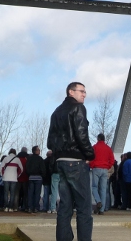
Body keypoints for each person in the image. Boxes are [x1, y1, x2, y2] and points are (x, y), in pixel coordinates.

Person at [47, 82, 95, 241]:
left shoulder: (56, 112)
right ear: (70, 92)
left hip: (60, 162)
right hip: (76, 161)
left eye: (85, 92)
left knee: (65, 208)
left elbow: (49, 142)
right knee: (84, 208)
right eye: (81, 91)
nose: (84, 94)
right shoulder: (78, 108)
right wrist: (89, 154)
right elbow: (82, 135)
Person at [90, 133, 115, 215]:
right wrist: (108, 166)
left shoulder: (95, 147)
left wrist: (92, 165)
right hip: (105, 169)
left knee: (94, 187)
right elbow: (112, 160)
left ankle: (98, 201)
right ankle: (102, 210)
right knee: (103, 189)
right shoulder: (108, 148)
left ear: (98, 139)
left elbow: (91, 157)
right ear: (104, 139)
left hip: (96, 168)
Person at [26, 145, 46, 213]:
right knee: (37, 193)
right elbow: (43, 169)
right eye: (38, 150)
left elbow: (27, 168)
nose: (39, 151)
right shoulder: (40, 159)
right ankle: (36, 207)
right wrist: (42, 175)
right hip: (38, 177)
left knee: (30, 193)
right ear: (36, 151)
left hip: (31, 177)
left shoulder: (29, 158)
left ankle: (29, 207)